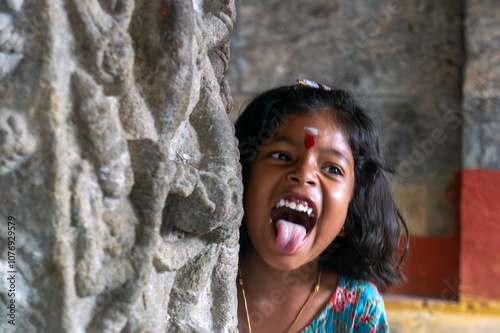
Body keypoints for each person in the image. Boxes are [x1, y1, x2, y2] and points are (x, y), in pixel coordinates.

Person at [234, 80, 408, 333]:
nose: (304, 174)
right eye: (281, 155)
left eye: (332, 168)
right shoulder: (198, 282)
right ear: (240, 181)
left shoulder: (358, 310)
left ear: (350, 216)